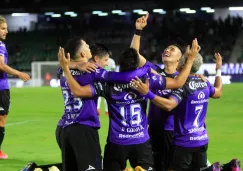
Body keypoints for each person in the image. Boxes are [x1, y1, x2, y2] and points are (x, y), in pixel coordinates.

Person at [57, 38, 198, 170]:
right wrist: (190, 60)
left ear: (120, 64)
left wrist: (68, 67)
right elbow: (178, 82)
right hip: (141, 141)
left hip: (115, 142)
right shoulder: (146, 79)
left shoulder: (106, 84)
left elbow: (79, 91)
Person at [131, 51, 240, 171]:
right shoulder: (204, 82)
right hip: (201, 138)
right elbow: (218, 92)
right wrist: (218, 69)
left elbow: (169, 105)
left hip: (184, 141)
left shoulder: (182, 85)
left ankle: (213, 169)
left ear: (184, 64)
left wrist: (148, 94)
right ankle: (229, 167)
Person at [0, 15, 30, 159]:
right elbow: (1, 65)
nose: (6, 31)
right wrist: (18, 73)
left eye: (6, 28)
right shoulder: (0, 45)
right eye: (3, 28)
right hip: (1, 88)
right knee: (1, 119)